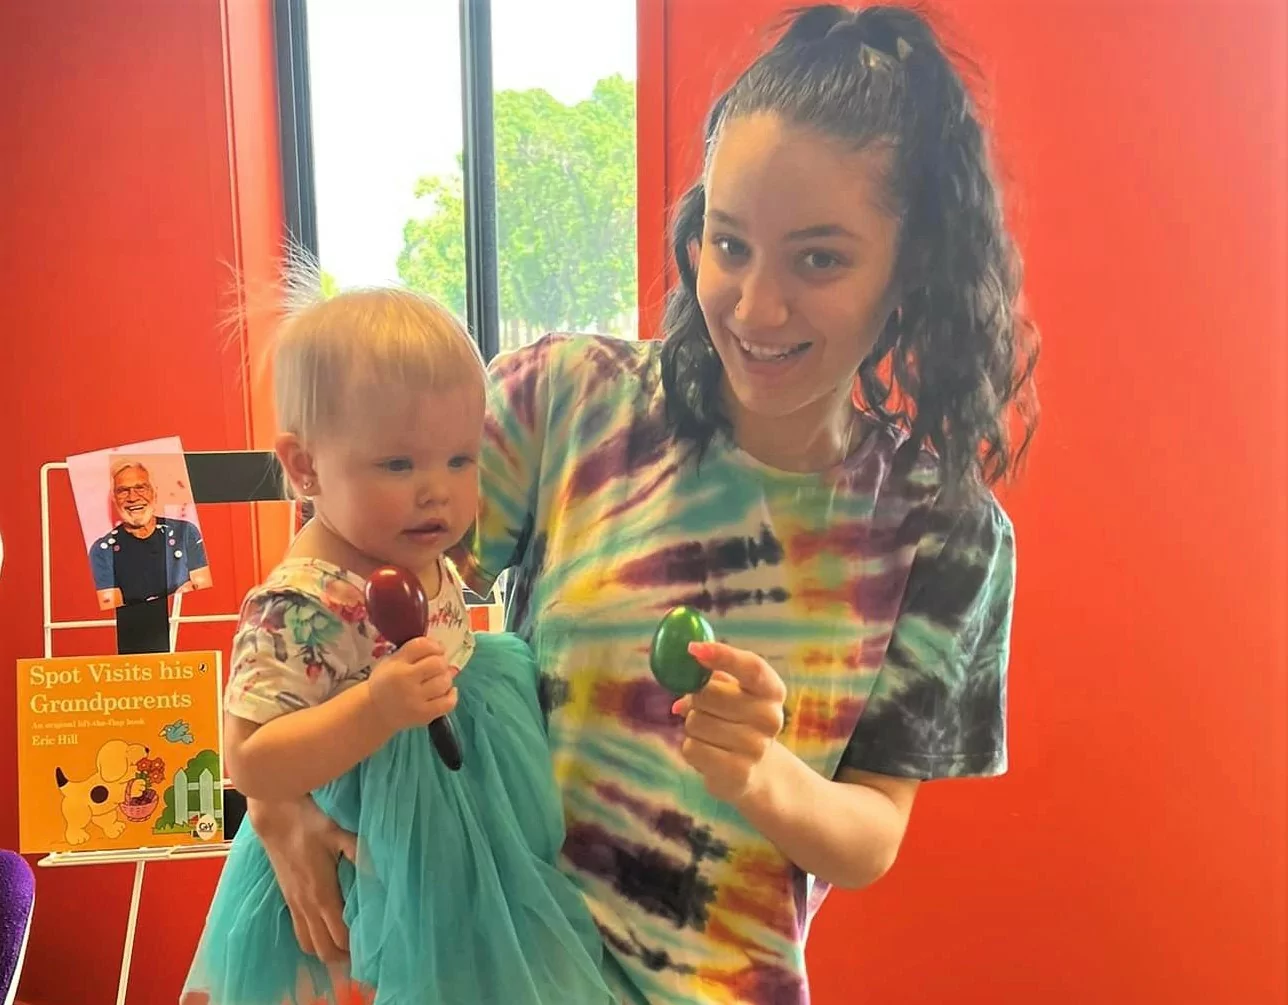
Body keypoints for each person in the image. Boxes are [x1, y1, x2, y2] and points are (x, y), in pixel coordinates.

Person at [248, 4, 1040, 1003]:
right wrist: (272, 792)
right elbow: (337, 601)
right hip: (484, 967)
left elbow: (869, 836)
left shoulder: (947, 535)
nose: (754, 306)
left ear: (912, 265)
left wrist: (761, 770)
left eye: (819, 258)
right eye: (729, 243)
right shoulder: (568, 404)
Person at [181, 286, 613, 1004]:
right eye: (399, 465)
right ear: (305, 467)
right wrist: (375, 711)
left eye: (459, 460)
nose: (437, 493)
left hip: (470, 816)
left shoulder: (408, 539)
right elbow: (250, 758)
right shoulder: (301, 603)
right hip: (375, 849)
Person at [88, 460, 211, 610]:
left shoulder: (185, 533)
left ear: (154, 492)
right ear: (114, 498)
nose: (132, 498)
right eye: (123, 491)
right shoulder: (102, 551)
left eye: (140, 488)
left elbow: (204, 592)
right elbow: (113, 614)